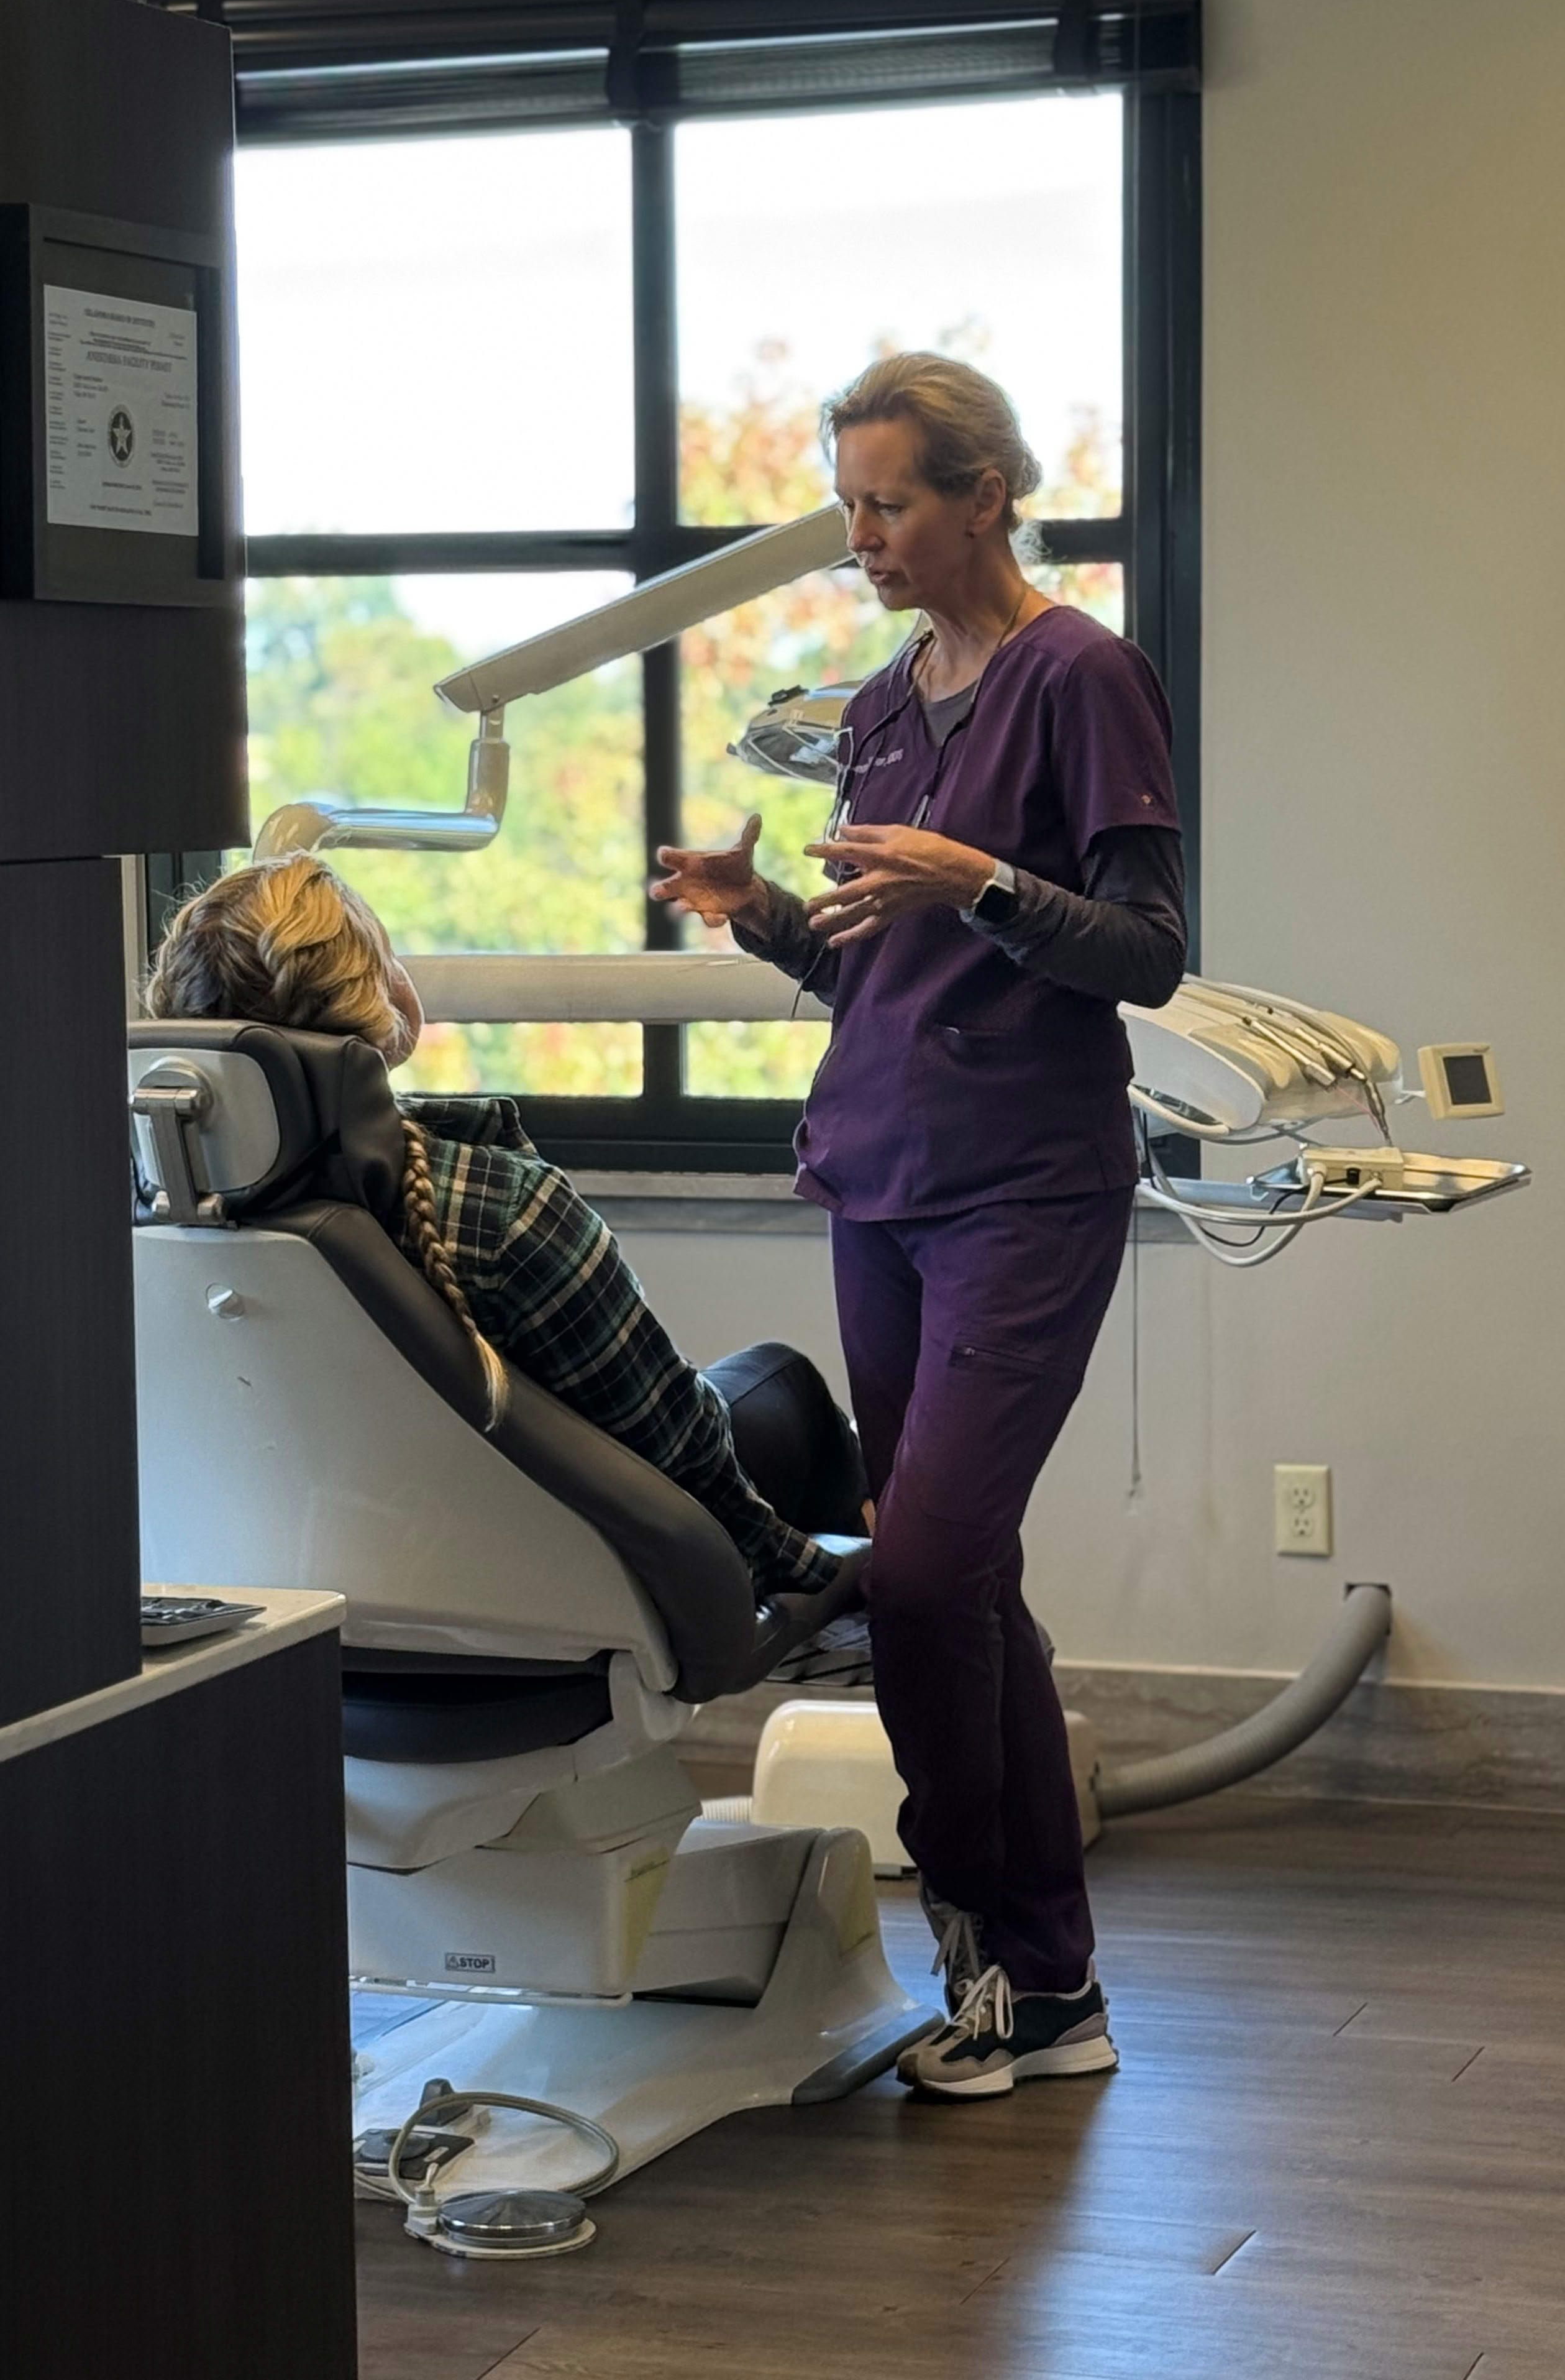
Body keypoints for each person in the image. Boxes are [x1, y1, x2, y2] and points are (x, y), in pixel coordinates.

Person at [651, 352, 1186, 2098]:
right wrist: (758, 914)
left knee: (929, 1569)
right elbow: (870, 972)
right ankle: (1044, 1982)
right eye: (849, 506)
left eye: (887, 503)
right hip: (878, 1177)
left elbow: (1148, 951)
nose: (861, 537)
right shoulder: (887, 701)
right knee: (965, 1576)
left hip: (1027, 1184)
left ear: (984, 498)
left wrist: (985, 881)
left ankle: (996, 1946)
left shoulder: (1081, 675)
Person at [143, 853, 869, 1665]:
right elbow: (681, 1457)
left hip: (298, 1602)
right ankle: (898, 1625)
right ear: (374, 994)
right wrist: (807, 1568)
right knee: (785, 1384)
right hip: (557, 1598)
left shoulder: (140, 1223)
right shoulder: (502, 1209)